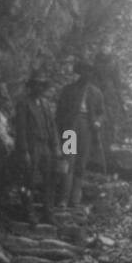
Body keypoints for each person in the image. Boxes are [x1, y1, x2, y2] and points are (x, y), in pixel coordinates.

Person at [56, 57, 105, 207]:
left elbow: (101, 113)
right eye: (84, 71)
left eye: (89, 71)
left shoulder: (96, 93)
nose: (87, 74)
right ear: (79, 72)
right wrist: (61, 131)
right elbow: (59, 112)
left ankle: (75, 199)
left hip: (86, 128)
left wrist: (97, 122)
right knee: (68, 161)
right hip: (70, 128)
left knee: (81, 164)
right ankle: (63, 199)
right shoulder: (68, 90)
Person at [14, 71, 57, 223]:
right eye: (36, 84)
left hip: (45, 145)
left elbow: (52, 127)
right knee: (28, 180)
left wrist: (56, 147)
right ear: (31, 86)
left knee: (49, 179)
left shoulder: (45, 104)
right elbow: (21, 129)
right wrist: (24, 151)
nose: (39, 87)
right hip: (32, 146)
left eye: (41, 84)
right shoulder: (24, 103)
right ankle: (29, 212)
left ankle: (48, 212)